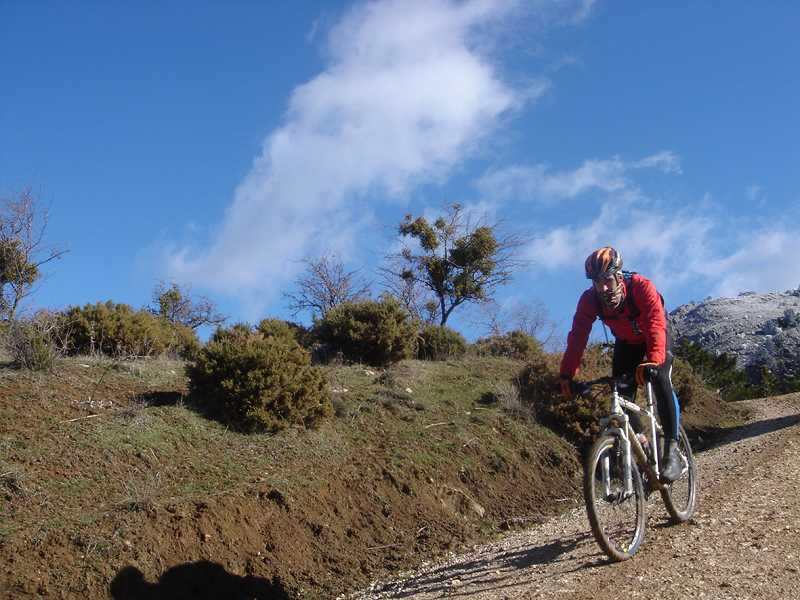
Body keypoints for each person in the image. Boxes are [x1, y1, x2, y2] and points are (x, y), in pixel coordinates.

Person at [559, 246, 682, 482]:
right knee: (621, 397)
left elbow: (656, 323)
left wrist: (654, 360)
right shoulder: (590, 300)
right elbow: (578, 336)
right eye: (597, 282)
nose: (603, 287)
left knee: (659, 378)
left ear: (618, 276)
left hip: (656, 338)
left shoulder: (641, 286)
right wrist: (567, 374)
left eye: (607, 280)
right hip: (627, 344)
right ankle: (643, 445)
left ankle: (672, 449)